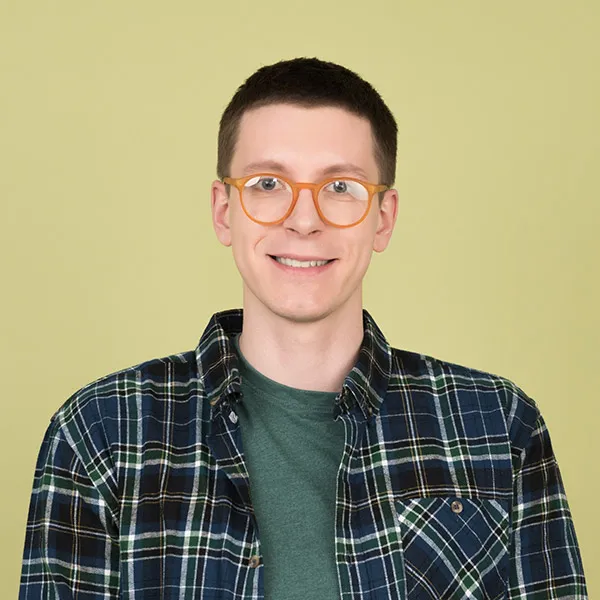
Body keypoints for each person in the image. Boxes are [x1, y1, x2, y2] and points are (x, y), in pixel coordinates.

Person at [19, 57, 587, 599]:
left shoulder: (499, 426)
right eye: (268, 183)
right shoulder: (101, 434)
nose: (304, 219)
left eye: (341, 187)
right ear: (223, 210)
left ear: (383, 218)